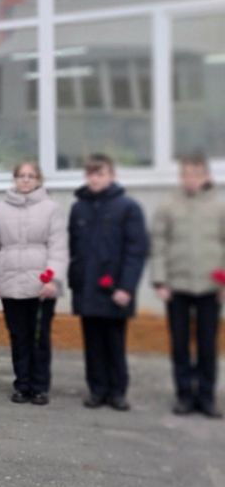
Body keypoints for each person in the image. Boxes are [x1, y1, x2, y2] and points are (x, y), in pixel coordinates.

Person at [68, 153, 149, 411]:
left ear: (112, 175)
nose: (94, 179)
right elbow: (74, 248)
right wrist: (75, 281)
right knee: (92, 344)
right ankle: (97, 390)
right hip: (87, 288)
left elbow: (136, 251)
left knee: (114, 342)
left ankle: (117, 392)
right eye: (90, 174)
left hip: (114, 289)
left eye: (100, 173)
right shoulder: (78, 208)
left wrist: (126, 287)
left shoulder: (128, 207)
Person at [150, 153, 225, 417]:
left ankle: (206, 397)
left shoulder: (219, 206)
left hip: (210, 287)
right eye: (185, 174)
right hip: (177, 286)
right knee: (180, 344)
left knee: (207, 345)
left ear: (206, 176)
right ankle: (183, 395)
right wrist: (160, 280)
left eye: (196, 174)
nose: (190, 179)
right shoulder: (169, 205)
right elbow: (158, 244)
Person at [0, 161, 68, 405]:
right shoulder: (0, 209)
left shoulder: (51, 208)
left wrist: (53, 278)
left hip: (41, 286)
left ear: (38, 179)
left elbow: (58, 247)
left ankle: (40, 386)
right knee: (18, 336)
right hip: (11, 284)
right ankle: (22, 385)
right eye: (21, 175)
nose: (25, 179)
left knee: (39, 337)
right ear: (14, 179)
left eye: (30, 175)